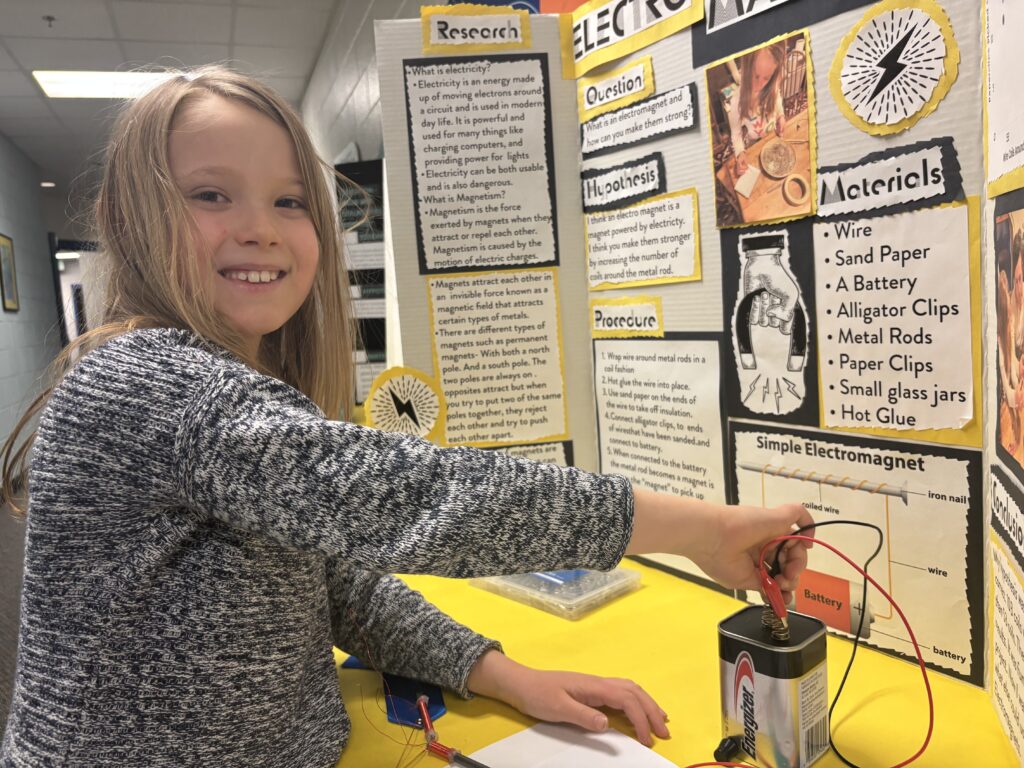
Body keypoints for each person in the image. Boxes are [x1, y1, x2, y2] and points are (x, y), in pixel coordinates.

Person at [0, 66, 812, 767]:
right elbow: (418, 498)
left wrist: (498, 672)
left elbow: (336, 584)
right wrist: (704, 530)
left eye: (290, 201)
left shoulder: (226, 385)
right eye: (211, 195)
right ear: (125, 217)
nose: (259, 227)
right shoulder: (148, 385)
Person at [723, 42, 787, 176]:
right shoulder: (736, 101)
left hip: (773, 137)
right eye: (756, 76)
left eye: (766, 78)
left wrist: (781, 116)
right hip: (754, 145)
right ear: (746, 69)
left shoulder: (771, 86)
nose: (760, 85)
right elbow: (736, 134)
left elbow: (778, 99)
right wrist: (740, 153)